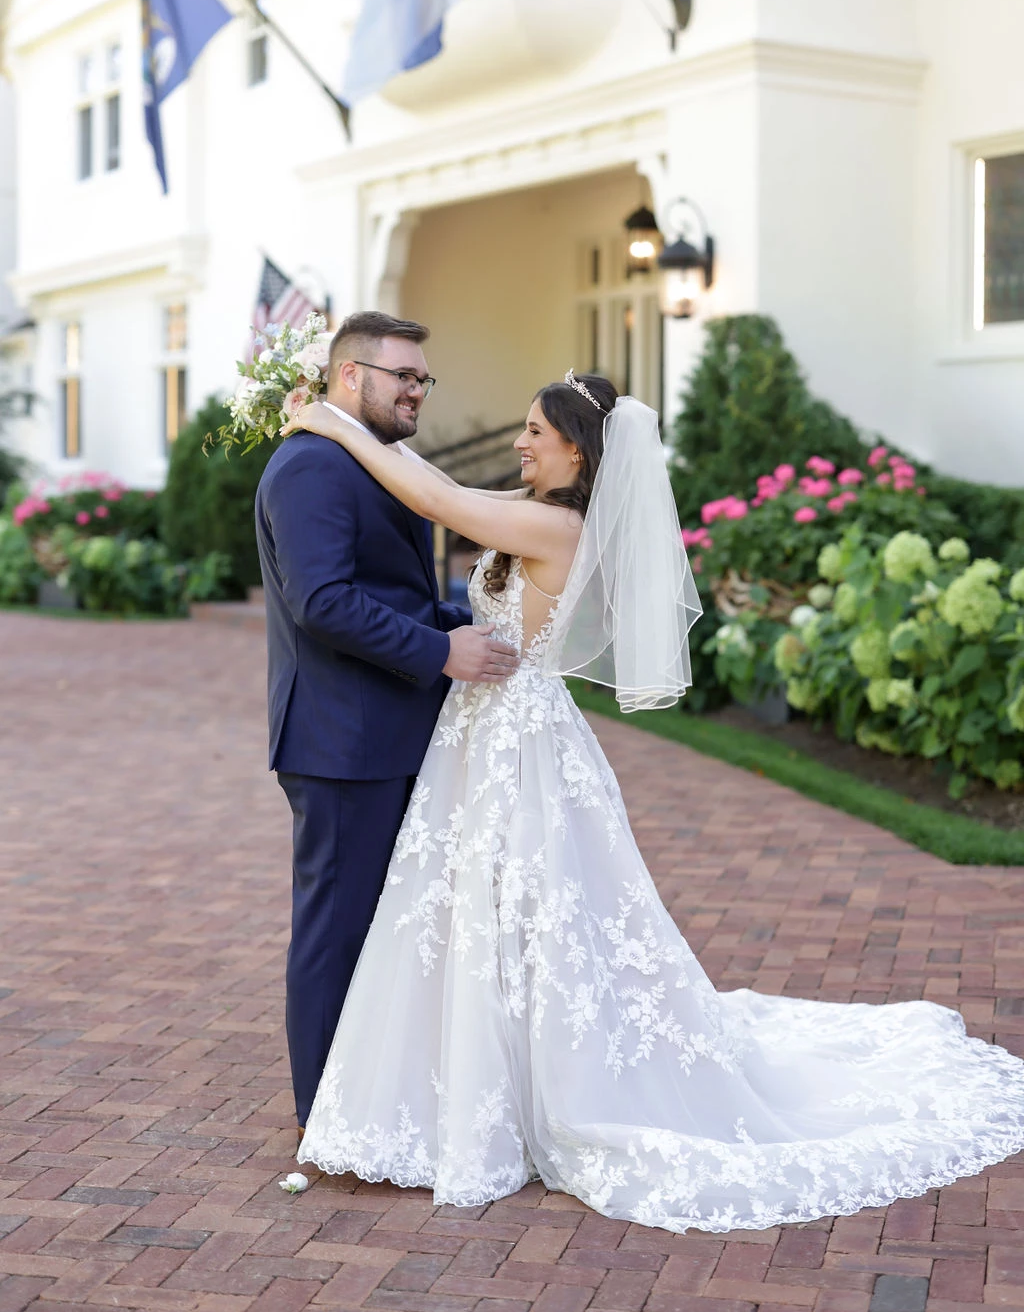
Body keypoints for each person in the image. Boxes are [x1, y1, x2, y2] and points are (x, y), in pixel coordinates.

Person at [283, 371, 1024, 1233]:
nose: (520, 442)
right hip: (484, 737)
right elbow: (455, 520)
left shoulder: (559, 524)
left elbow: (436, 492)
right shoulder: (539, 513)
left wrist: (326, 421)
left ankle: (536, 1091)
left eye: (534, 431)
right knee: (486, 913)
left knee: (525, 911)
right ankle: (478, 1081)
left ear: (577, 451)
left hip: (517, 745)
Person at [255, 311, 519, 1140]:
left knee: (390, 923)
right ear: (348, 377)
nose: (415, 390)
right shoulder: (309, 470)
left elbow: (391, 591)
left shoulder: (376, 461)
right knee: (336, 929)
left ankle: (377, 1096)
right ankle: (324, 1115)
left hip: (390, 730)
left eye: (421, 378)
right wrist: (441, 653)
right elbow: (323, 602)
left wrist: (472, 623)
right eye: (400, 374)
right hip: (342, 741)